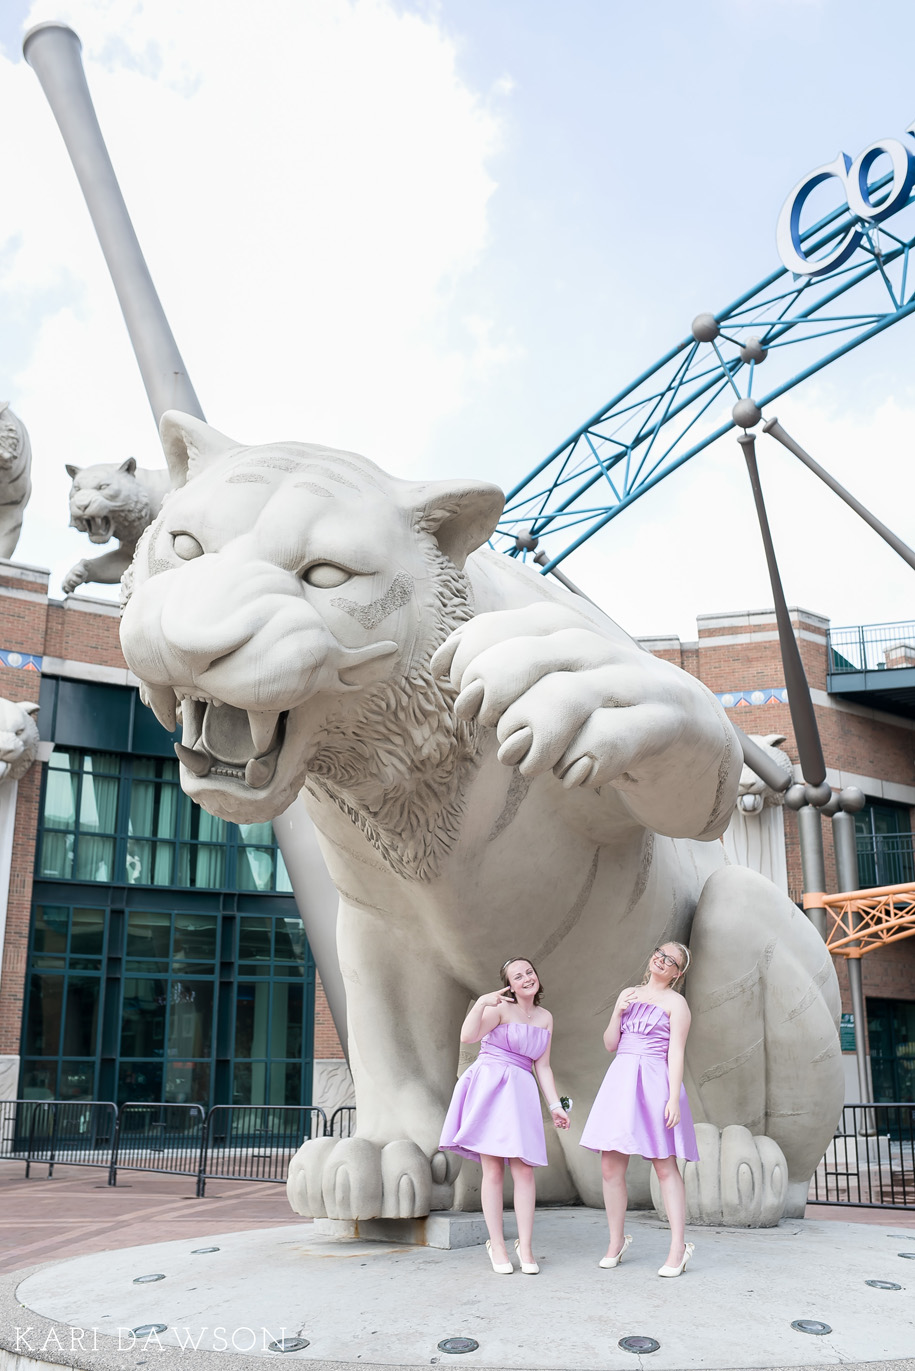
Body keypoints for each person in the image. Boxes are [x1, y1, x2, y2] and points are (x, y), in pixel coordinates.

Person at [439, 956, 569, 1275]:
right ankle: (496, 1244)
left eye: (529, 972)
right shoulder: (498, 1008)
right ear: (508, 984)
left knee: (524, 1170)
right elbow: (468, 1037)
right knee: (493, 1169)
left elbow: (544, 1065)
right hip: (490, 1086)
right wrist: (482, 1002)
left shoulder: (546, 1017)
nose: (526, 978)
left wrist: (556, 1106)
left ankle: (524, 1246)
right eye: (517, 976)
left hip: (521, 1091)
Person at [580, 942, 698, 1278]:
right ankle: (616, 1241)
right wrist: (618, 1010)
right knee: (610, 1167)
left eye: (671, 961)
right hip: (620, 1080)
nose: (662, 961)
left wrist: (673, 1097)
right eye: (660, 954)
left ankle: (679, 1247)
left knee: (664, 1165)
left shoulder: (677, 1003)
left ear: (678, 972)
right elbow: (610, 1043)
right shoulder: (629, 993)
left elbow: (676, 1053)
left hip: (655, 1081)